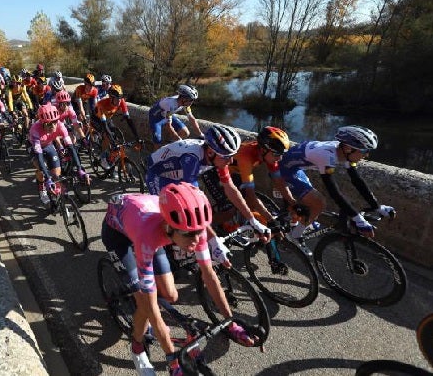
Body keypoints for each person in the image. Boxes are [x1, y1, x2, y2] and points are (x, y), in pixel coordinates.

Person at [102, 182, 260, 376]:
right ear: (169, 228)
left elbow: (209, 276)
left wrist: (231, 322)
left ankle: (150, 319)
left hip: (147, 217)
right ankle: (137, 347)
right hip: (118, 234)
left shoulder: (193, 229)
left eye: (199, 233)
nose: (196, 241)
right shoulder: (148, 235)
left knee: (170, 295)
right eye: (188, 235)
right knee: (145, 302)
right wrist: (172, 359)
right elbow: (151, 307)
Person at [145, 124, 271, 264]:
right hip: (159, 175)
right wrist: (213, 240)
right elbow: (193, 206)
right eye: (227, 157)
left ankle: (181, 243)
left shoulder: (218, 156)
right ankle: (158, 250)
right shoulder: (191, 158)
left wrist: (253, 221)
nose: (230, 161)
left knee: (194, 212)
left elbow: (230, 189)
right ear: (210, 152)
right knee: (169, 215)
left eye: (232, 156)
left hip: (181, 174)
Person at [279, 125, 396, 252]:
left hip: (297, 167)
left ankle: (297, 220)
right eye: (363, 151)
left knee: (311, 205)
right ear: (348, 148)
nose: (366, 155)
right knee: (319, 203)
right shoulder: (326, 156)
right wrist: (358, 219)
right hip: (284, 170)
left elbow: (357, 181)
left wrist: (377, 207)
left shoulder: (344, 154)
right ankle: (293, 238)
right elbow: (334, 192)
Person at [203, 126, 297, 232]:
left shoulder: (268, 155)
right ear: (263, 149)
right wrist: (270, 220)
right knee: (229, 211)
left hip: (234, 173)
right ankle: (203, 231)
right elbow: (251, 195)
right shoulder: (246, 157)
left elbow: (278, 181)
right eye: (276, 155)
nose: (279, 159)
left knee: (247, 203)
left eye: (281, 155)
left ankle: (241, 224)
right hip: (215, 172)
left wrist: (293, 203)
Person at [28, 104, 88, 205]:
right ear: (42, 123)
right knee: (43, 171)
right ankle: (41, 188)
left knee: (56, 174)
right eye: (49, 124)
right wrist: (47, 178)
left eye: (55, 122)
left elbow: (71, 148)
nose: (53, 127)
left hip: (48, 145)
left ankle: (57, 194)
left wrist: (79, 169)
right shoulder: (35, 129)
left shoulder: (60, 125)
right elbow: (39, 155)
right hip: (35, 148)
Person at [90, 85, 140, 170]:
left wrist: (137, 136)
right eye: (117, 98)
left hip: (107, 118)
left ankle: (112, 156)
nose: (119, 101)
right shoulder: (102, 104)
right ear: (111, 98)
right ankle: (102, 158)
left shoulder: (121, 101)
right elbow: (105, 126)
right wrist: (112, 142)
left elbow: (129, 120)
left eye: (120, 98)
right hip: (97, 119)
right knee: (107, 135)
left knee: (116, 135)